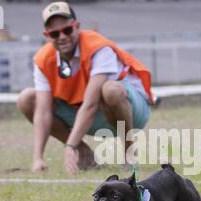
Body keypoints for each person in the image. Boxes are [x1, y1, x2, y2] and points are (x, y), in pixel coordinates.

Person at [17, 2, 153, 174]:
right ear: (47, 36)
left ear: (77, 27)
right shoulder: (43, 59)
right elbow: (43, 111)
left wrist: (69, 146)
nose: (62, 37)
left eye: (67, 30)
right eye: (54, 33)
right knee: (27, 99)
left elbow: (91, 104)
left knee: (110, 90)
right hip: (84, 111)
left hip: (131, 110)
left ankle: (129, 153)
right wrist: (38, 158)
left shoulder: (98, 47)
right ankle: (85, 154)